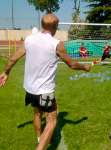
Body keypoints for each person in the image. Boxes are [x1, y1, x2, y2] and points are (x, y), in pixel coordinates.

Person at [0, 14, 91, 150]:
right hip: (45, 91)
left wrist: (6, 72)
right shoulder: (56, 44)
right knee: (52, 120)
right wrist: (85, 67)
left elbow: (13, 58)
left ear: (42, 25)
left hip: (30, 89)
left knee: (37, 113)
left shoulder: (29, 39)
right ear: (55, 27)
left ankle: (39, 138)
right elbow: (71, 64)